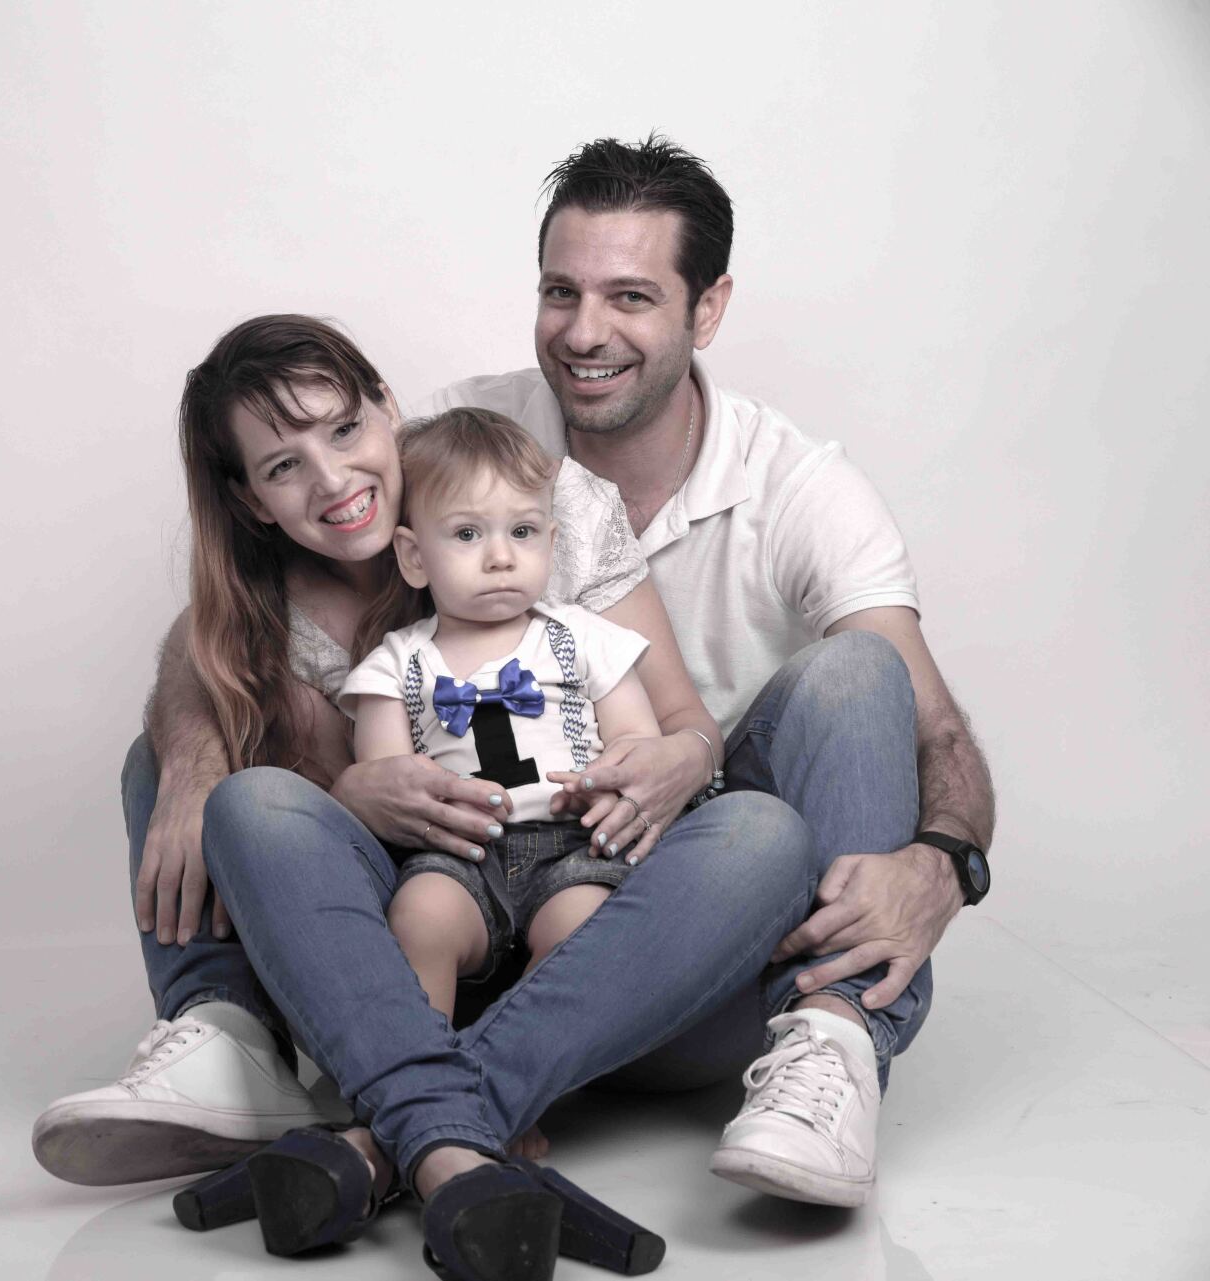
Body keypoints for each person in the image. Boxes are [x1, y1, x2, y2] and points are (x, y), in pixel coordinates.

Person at [33, 312, 822, 1272]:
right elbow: (225, 695)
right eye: (283, 466)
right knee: (197, 776)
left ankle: (393, 1136)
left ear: (387, 407)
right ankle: (227, 1034)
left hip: (582, 911)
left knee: (761, 835)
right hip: (424, 917)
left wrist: (668, 758)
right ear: (249, 499)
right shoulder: (278, 617)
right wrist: (345, 792)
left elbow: (670, 715)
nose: (333, 480)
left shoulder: (522, 495)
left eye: (344, 429)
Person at [414, 134, 997, 1207]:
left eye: (631, 297)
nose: (583, 332)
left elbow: (936, 733)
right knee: (190, 745)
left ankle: (830, 1042)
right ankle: (303, 1051)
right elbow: (280, 619)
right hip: (495, 928)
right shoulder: (463, 438)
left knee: (855, 672)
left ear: (708, 308)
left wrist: (943, 862)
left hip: (711, 954)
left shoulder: (798, 487)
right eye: (560, 291)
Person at [343, 408, 667, 1021]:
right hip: (458, 854)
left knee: (586, 934)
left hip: (575, 848)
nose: (500, 557)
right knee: (420, 918)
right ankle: (419, 1065)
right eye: (467, 534)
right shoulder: (396, 663)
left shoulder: (584, 637)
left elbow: (637, 742)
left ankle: (522, 1067)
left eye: (522, 531)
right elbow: (388, 785)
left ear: (552, 542)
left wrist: (607, 788)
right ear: (414, 556)